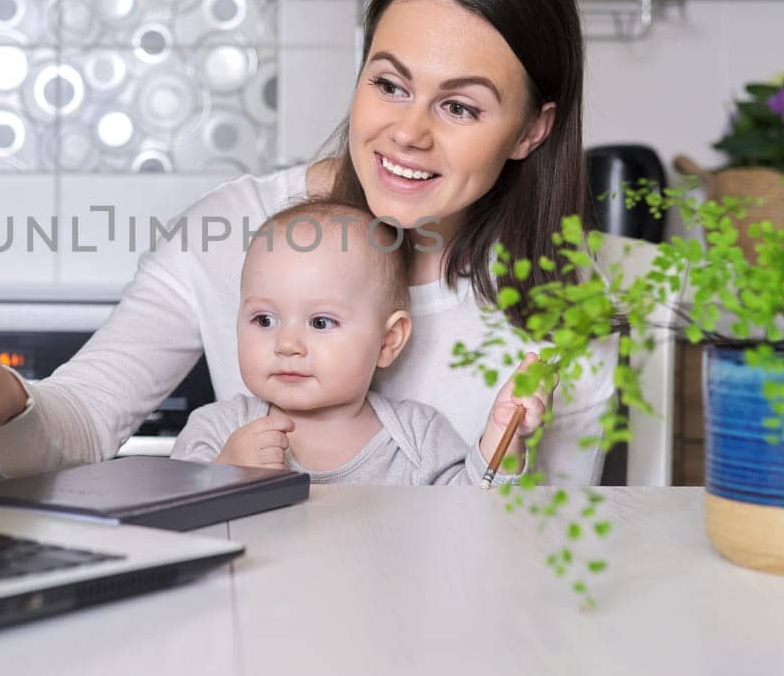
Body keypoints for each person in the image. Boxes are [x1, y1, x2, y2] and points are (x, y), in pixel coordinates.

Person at [0, 0, 618, 484]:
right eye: (390, 85)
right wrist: (3, 403)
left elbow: (539, 546)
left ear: (531, 129)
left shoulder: (568, 303)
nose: (408, 131)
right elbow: (84, 424)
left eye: (459, 106)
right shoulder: (235, 229)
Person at [169, 199, 542, 484]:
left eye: (320, 322)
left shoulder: (416, 438)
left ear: (388, 341)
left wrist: (503, 435)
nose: (286, 344)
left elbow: (474, 513)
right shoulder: (217, 430)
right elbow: (171, 521)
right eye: (264, 319)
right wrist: (225, 473)